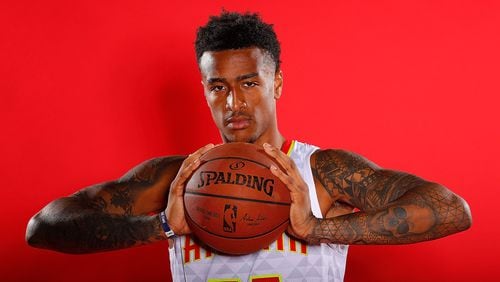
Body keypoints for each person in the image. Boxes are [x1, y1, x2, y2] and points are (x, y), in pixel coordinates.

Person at [26, 11, 472, 281]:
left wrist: (317, 230)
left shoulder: (321, 171)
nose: (234, 102)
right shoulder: (176, 179)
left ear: (275, 83)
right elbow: (43, 227)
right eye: (217, 87)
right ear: (203, 89)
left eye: (249, 83)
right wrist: (163, 225)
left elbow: (451, 209)